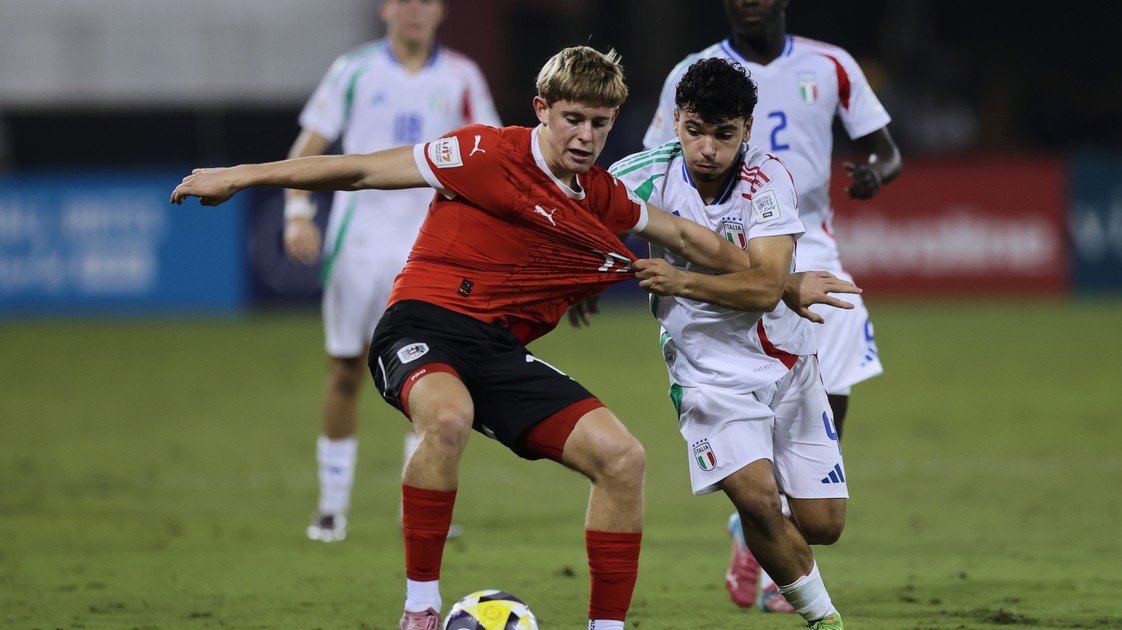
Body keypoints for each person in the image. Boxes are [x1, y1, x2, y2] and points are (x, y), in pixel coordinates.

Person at [173, 45, 854, 630]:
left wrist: (786, 285)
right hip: (422, 326)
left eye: (600, 123)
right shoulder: (482, 151)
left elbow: (684, 236)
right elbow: (360, 168)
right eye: (573, 120)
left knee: (624, 459)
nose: (585, 136)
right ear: (542, 109)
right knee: (447, 419)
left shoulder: (601, 198)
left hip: (497, 353)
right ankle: (419, 609)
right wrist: (240, 177)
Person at [642, 0, 902, 611]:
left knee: (827, 393)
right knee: (753, 431)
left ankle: (770, 516)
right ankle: (762, 513)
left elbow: (887, 150)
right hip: (720, 245)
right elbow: (657, 168)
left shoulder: (831, 65)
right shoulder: (695, 70)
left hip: (814, 249)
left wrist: (875, 175)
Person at [612, 57, 848, 629]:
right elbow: (562, 210)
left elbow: (767, 288)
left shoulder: (769, 180)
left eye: (723, 134)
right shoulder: (640, 174)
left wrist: (680, 281)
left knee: (823, 526)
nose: (708, 149)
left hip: (788, 364)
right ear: (675, 122)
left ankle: (753, 529)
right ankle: (826, 620)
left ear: (746, 127)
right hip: (707, 376)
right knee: (763, 502)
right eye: (695, 131)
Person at [282, 0, 500, 543]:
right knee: (345, 371)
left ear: (440, 10)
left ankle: (418, 501)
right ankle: (331, 507)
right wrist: (295, 211)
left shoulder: (461, 76)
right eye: (403, 0)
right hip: (356, 246)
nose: (413, 11)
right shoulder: (353, 70)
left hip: (428, 250)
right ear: (385, 9)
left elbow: (491, 154)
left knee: (434, 372)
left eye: (424, 1)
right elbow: (308, 149)